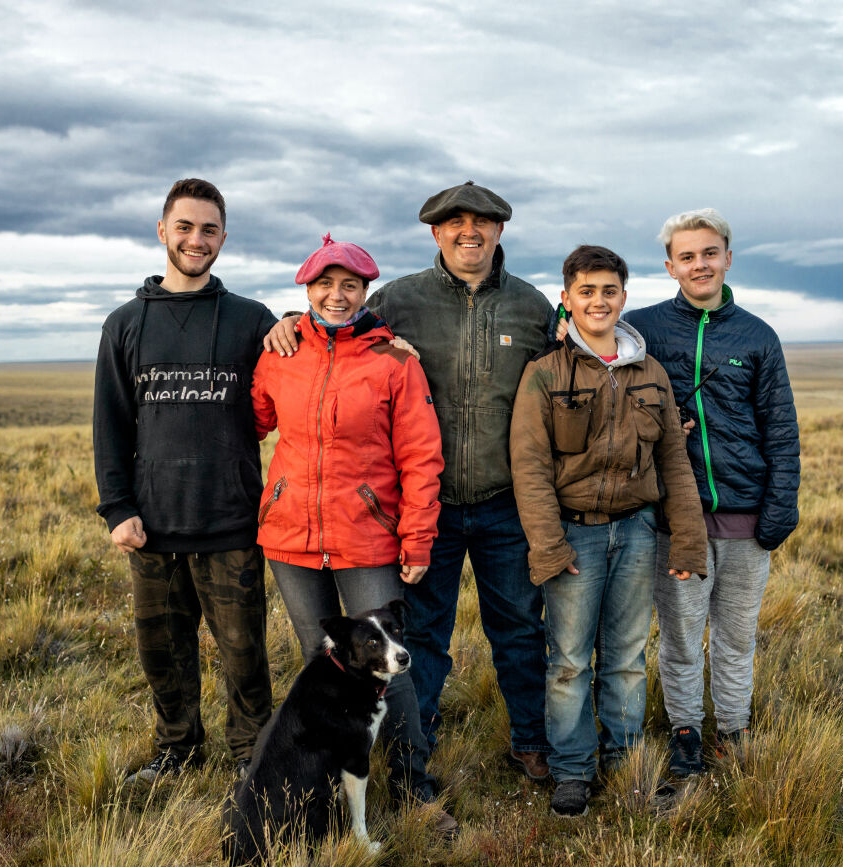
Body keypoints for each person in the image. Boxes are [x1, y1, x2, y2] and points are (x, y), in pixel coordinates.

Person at [265, 182, 557, 782]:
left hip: (506, 504)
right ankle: (413, 751)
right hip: (426, 509)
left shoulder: (531, 308)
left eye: (482, 222)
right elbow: (337, 328)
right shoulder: (399, 299)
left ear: (501, 231)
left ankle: (530, 741)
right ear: (435, 232)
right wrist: (291, 321)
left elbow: (564, 379)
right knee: (421, 637)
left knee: (522, 631)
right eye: (455, 223)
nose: (468, 231)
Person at [251, 234, 456, 833]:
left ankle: (415, 787)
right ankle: (322, 788)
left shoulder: (394, 361)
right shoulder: (281, 352)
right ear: (306, 290)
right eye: (324, 285)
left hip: (367, 538)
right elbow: (257, 418)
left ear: (366, 291)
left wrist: (416, 539)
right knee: (324, 669)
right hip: (291, 539)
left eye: (349, 286)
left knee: (392, 669)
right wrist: (275, 334)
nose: (336, 296)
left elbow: (422, 457)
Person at [510, 245, 707, 817]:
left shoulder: (650, 373)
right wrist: (549, 546)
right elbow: (529, 466)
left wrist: (688, 539)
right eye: (587, 291)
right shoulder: (544, 374)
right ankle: (572, 770)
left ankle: (625, 763)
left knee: (625, 657)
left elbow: (674, 459)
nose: (599, 300)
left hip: (638, 532)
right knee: (569, 661)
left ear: (625, 297)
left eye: (610, 290)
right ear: (566, 298)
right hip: (575, 538)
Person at [93, 178, 275, 783]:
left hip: (230, 522)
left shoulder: (252, 321)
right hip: (153, 527)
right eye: (185, 227)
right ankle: (176, 748)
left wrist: (306, 323)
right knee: (163, 654)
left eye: (210, 229)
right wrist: (118, 509)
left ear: (224, 237)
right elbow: (112, 424)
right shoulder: (123, 325)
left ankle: (252, 754)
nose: (197, 240)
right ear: (162, 231)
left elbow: (317, 361)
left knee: (244, 654)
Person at [620, 209, 800, 778]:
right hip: (676, 521)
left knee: (736, 637)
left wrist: (779, 512)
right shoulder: (642, 328)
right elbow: (585, 336)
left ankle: (733, 729)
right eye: (687, 255)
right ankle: (686, 732)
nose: (700, 264)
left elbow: (782, 429)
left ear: (727, 257)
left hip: (749, 519)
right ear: (670, 265)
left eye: (709, 252)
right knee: (678, 636)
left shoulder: (758, 336)